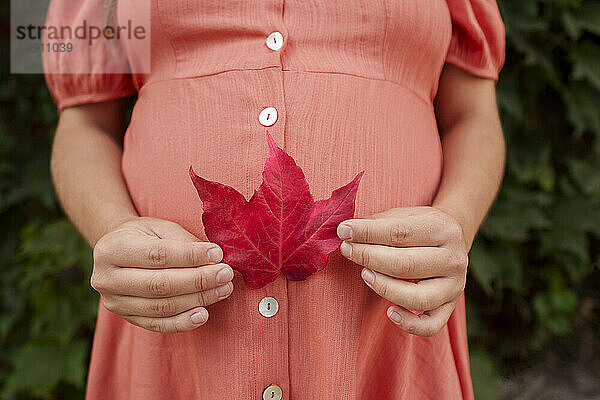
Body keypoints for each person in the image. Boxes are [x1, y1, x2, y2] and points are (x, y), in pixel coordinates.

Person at [43, 0, 506, 398]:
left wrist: (456, 222)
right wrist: (110, 229)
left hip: (390, 330)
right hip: (174, 340)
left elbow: (474, 114)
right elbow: (82, 123)